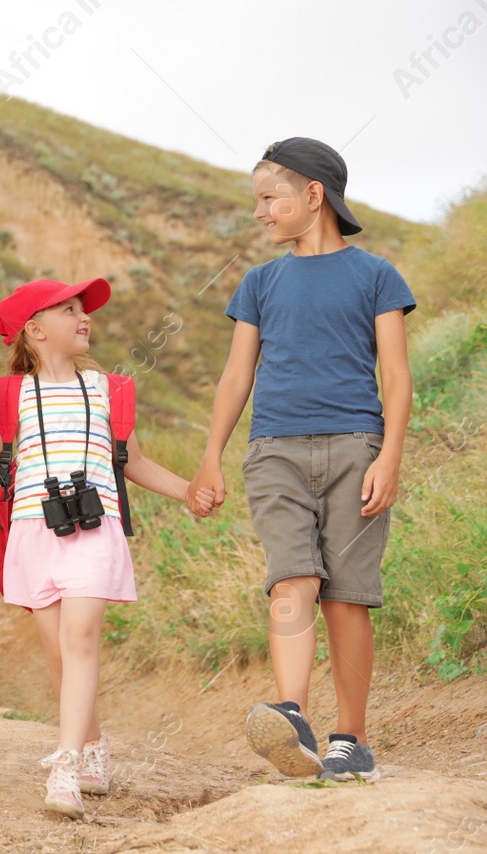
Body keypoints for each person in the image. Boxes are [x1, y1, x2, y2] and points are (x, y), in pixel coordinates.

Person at [188, 137, 414, 782]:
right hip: (274, 452)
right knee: (292, 580)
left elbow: (395, 377)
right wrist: (212, 458)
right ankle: (292, 716)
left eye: (269, 198)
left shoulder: (376, 275)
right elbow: (236, 377)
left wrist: (389, 456)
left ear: (313, 195)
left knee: (346, 598)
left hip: (356, 447)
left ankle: (353, 739)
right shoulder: (260, 282)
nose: (259, 212)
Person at [0, 277, 195, 818]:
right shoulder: (9, 394)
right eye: (69, 310)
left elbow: (135, 462)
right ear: (34, 330)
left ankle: (65, 769)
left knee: (80, 637)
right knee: (60, 654)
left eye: (84, 310)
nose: (84, 318)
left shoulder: (108, 388)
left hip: (94, 527)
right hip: (33, 533)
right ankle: (93, 747)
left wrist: (189, 491)